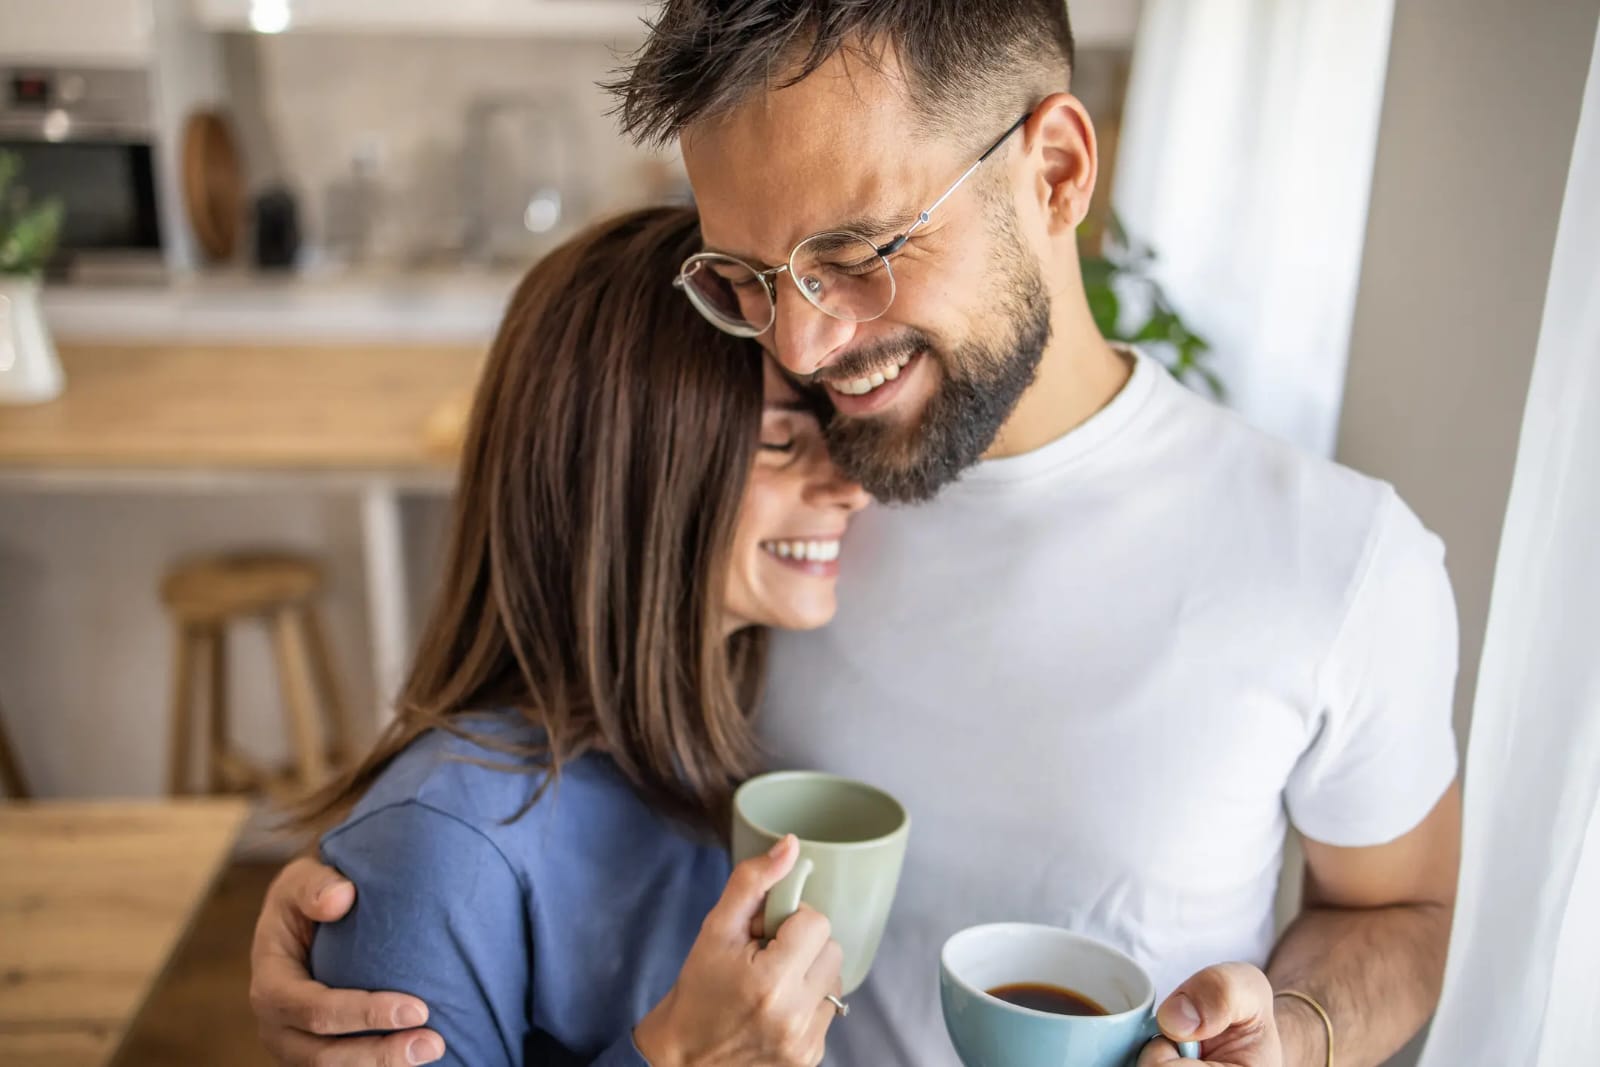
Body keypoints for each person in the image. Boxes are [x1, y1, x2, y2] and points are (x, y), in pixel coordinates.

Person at [251, 3, 1463, 1065]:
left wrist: (1299, 1027)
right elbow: (560, 708)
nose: (801, 346)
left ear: (1052, 169)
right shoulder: (777, 518)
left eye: (857, 251)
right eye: (749, 275)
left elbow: (1401, 912)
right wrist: (396, 906)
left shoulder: (1342, 562)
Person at [267, 205, 870, 1066]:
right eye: (780, 440)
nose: (850, 485)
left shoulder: (740, 718)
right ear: (623, 472)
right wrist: (677, 1056)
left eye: (839, 435)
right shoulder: (434, 855)